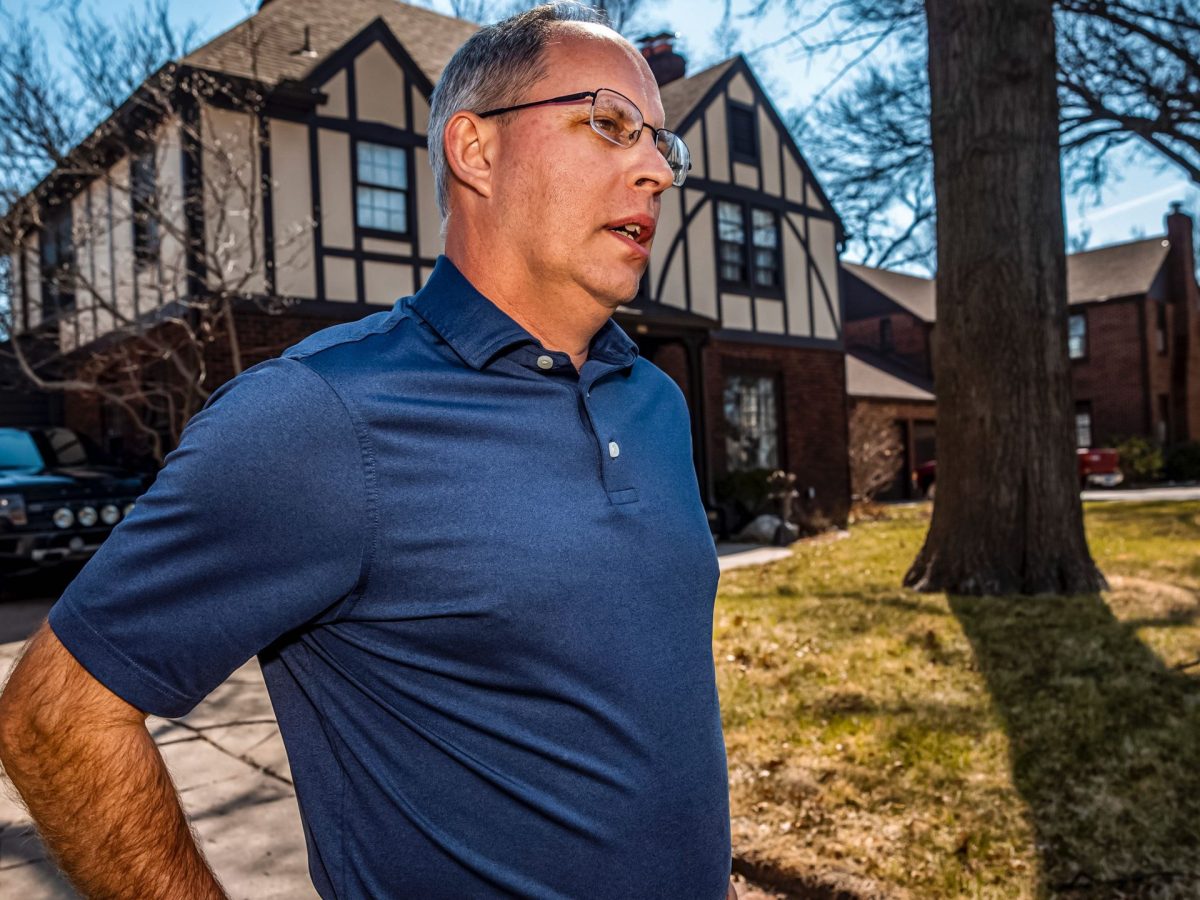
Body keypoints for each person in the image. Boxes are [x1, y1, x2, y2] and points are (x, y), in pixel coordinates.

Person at [0, 4, 737, 898]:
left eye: (664, 145)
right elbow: (56, 717)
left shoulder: (655, 401)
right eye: (610, 124)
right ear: (476, 151)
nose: (657, 169)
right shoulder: (321, 416)